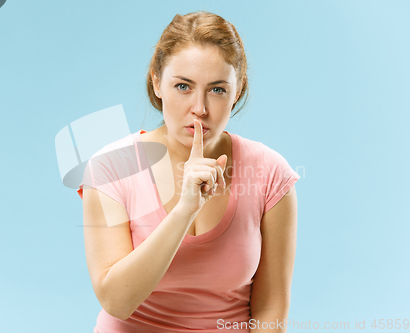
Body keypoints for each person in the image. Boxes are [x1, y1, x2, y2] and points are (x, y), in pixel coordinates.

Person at [77, 11, 300, 333]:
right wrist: (184, 209)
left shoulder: (270, 173)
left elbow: (271, 311)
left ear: (238, 90)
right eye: (183, 86)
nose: (200, 108)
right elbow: (116, 301)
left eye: (218, 89)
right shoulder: (111, 168)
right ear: (157, 82)